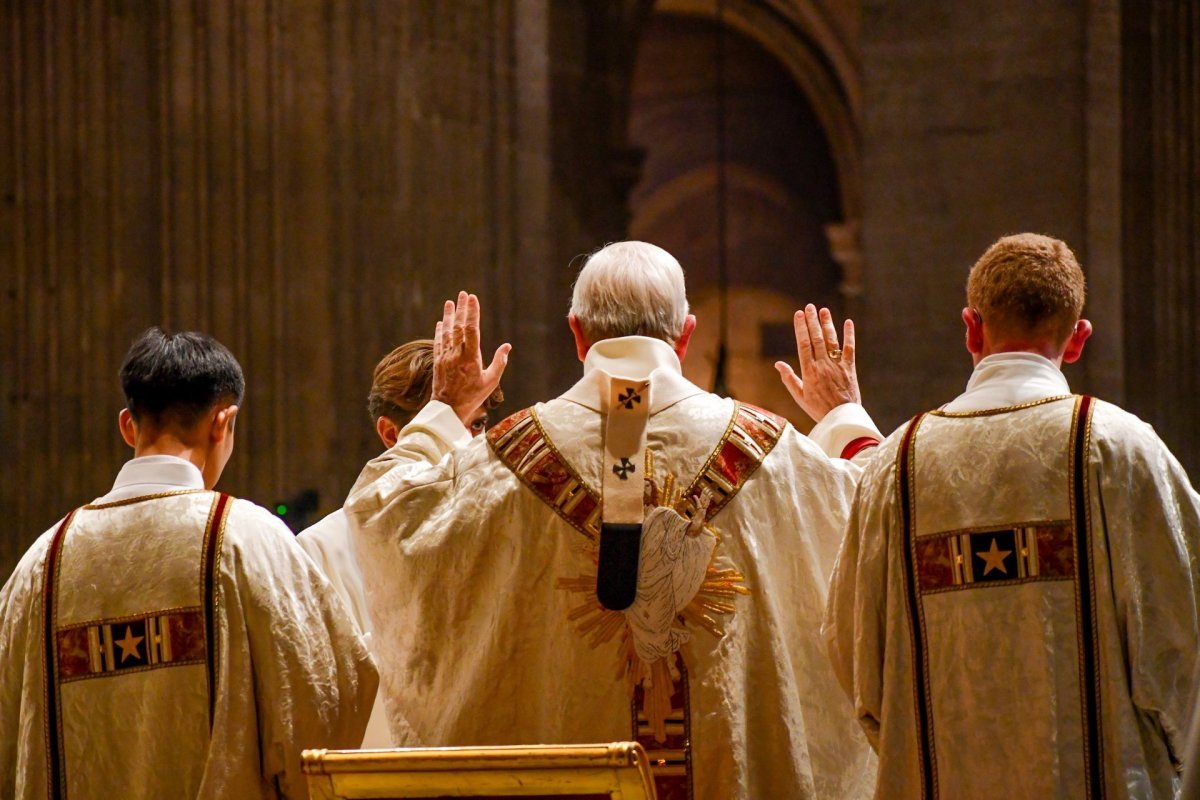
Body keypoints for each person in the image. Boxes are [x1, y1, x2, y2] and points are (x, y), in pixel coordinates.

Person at [345, 241, 882, 799]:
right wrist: (843, 415)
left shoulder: (506, 458)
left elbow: (382, 509)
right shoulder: (771, 452)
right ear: (685, 335)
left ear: (577, 334)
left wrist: (445, 411)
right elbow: (878, 506)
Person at [823, 233, 1200, 798]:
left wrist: (910, 744)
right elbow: (1180, 639)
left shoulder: (896, 464)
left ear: (971, 329)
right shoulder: (1119, 448)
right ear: (1078, 339)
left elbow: (853, 649)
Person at [0, 328, 378, 799]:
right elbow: (324, 707)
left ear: (127, 426)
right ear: (223, 422)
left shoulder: (40, 564)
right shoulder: (248, 540)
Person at [296, 339, 501, 747]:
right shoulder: (319, 548)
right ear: (391, 434)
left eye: (477, 425)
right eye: (447, 424)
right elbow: (329, 693)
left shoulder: (495, 524)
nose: (469, 445)